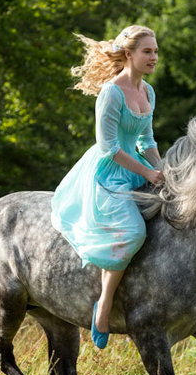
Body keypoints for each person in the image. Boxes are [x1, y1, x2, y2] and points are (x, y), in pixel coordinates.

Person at [51, 25, 164, 349]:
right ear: (129, 54)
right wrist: (147, 171)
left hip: (140, 170)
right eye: (147, 51)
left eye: (155, 51)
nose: (153, 57)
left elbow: (146, 139)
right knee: (133, 233)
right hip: (109, 174)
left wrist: (163, 169)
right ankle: (104, 303)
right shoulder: (111, 93)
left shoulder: (148, 92)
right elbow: (110, 147)